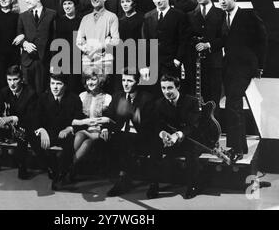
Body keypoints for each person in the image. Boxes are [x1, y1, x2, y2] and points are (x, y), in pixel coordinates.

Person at [217, 0, 268, 162]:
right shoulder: (221, 18)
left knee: (233, 103)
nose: (222, 1)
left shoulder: (248, 16)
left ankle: (236, 149)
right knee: (234, 105)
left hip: (245, 67)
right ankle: (240, 147)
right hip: (228, 67)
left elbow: (262, 40)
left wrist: (259, 66)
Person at [0, 65, 47, 179]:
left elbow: (32, 119)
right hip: (9, 129)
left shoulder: (31, 93)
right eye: (9, 80)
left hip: (25, 129)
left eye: (15, 79)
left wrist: (11, 118)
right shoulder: (4, 91)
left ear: (22, 79)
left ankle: (22, 167)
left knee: (22, 131)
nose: (12, 83)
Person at [148, 75, 202, 199]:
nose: (166, 92)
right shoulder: (158, 104)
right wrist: (163, 135)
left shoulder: (191, 101)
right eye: (163, 88)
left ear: (178, 87)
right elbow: (157, 125)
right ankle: (153, 185)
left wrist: (177, 135)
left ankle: (192, 185)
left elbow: (192, 126)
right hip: (169, 141)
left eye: (170, 88)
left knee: (191, 151)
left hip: (188, 139)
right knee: (154, 148)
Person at [106, 68, 155, 197]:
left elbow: (150, 126)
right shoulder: (118, 96)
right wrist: (105, 128)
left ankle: (123, 180)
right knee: (114, 139)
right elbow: (109, 115)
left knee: (124, 140)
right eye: (123, 80)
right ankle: (123, 178)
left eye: (129, 80)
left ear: (137, 82)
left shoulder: (147, 98)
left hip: (141, 136)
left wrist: (134, 114)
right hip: (120, 134)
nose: (125, 84)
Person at [38, 73, 85, 190]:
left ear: (65, 85)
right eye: (52, 83)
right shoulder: (43, 98)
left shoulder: (74, 98)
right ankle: (50, 167)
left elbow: (80, 119)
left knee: (69, 145)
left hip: (65, 134)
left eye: (59, 84)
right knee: (33, 138)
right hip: (48, 133)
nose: (55, 87)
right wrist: (42, 130)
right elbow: (35, 118)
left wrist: (69, 128)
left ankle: (60, 175)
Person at [142, 0, 190, 96]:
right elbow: (144, 41)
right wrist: (144, 65)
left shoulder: (179, 15)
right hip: (152, 64)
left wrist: (178, 59)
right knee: (153, 95)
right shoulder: (148, 16)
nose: (158, 1)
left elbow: (184, 40)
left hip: (171, 63)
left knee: (171, 94)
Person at [186, 0, 225, 111]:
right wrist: (195, 43)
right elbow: (187, 37)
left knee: (213, 101)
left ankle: (215, 130)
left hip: (214, 64)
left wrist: (208, 44)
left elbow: (225, 38)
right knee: (195, 102)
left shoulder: (221, 14)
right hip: (196, 66)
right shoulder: (190, 15)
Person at [70, 67, 112, 178]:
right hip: (85, 130)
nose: (90, 82)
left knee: (87, 143)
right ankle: (70, 168)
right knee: (79, 135)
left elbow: (109, 119)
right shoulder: (82, 96)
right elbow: (75, 119)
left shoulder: (107, 98)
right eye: (88, 79)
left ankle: (68, 168)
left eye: (93, 79)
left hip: (99, 133)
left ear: (100, 80)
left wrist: (104, 126)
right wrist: (85, 122)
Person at [16, 0, 57, 95]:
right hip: (27, 62)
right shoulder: (22, 16)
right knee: (27, 94)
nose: (26, 1)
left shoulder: (52, 14)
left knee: (42, 93)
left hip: (44, 61)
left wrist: (54, 62)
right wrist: (25, 43)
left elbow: (55, 39)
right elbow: (19, 35)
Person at [76, 0, 119, 80]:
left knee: (103, 88)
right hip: (88, 60)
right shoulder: (85, 18)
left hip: (104, 60)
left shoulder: (112, 17)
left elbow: (115, 40)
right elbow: (79, 40)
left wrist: (98, 48)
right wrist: (88, 50)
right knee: (89, 87)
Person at [0, 0, 21, 96]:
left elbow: (24, 32)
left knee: (14, 88)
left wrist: (22, 35)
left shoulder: (18, 17)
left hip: (13, 57)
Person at [53, 0, 83, 93]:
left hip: (78, 61)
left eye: (70, 3)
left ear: (75, 4)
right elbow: (54, 43)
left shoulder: (82, 21)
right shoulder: (58, 21)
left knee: (75, 89)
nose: (67, 6)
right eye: (65, 4)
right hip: (61, 61)